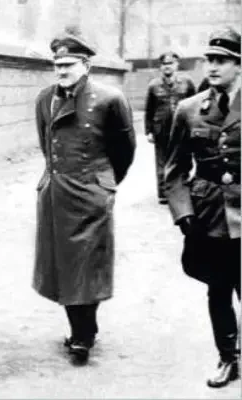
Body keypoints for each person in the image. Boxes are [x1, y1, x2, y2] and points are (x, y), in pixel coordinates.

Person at [32, 29, 136, 365]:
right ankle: (81, 331)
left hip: (91, 194)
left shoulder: (109, 99)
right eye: (57, 65)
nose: (61, 71)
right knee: (64, 266)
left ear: (86, 65)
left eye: (69, 64)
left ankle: (83, 334)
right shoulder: (46, 99)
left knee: (87, 266)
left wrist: (104, 184)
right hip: (57, 194)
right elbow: (47, 146)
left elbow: (124, 150)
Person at [164, 27, 241, 389]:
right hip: (210, 216)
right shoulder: (189, 109)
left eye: (221, 60)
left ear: (238, 65)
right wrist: (184, 213)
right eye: (209, 59)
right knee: (218, 290)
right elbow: (174, 169)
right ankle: (228, 358)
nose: (212, 66)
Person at [144, 51, 196, 204]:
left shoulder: (187, 82)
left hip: (182, 128)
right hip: (161, 129)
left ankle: (183, 189)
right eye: (164, 64)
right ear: (160, 67)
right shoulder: (154, 85)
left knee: (183, 158)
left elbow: (195, 104)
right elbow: (149, 109)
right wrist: (149, 131)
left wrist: (194, 126)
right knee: (162, 162)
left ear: (177, 65)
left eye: (170, 63)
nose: (167, 67)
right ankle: (164, 193)